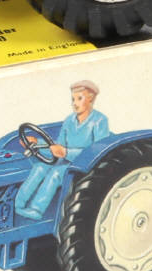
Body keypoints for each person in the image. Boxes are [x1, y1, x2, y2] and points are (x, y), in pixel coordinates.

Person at [14, 80, 110, 220]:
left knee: (56, 173)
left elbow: (98, 151)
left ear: (91, 98)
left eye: (79, 98)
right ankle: (18, 205)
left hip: (83, 166)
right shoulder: (69, 121)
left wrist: (66, 152)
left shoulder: (99, 121)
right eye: (73, 99)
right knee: (39, 167)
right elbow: (57, 146)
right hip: (64, 160)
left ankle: (36, 209)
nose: (75, 103)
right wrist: (36, 143)